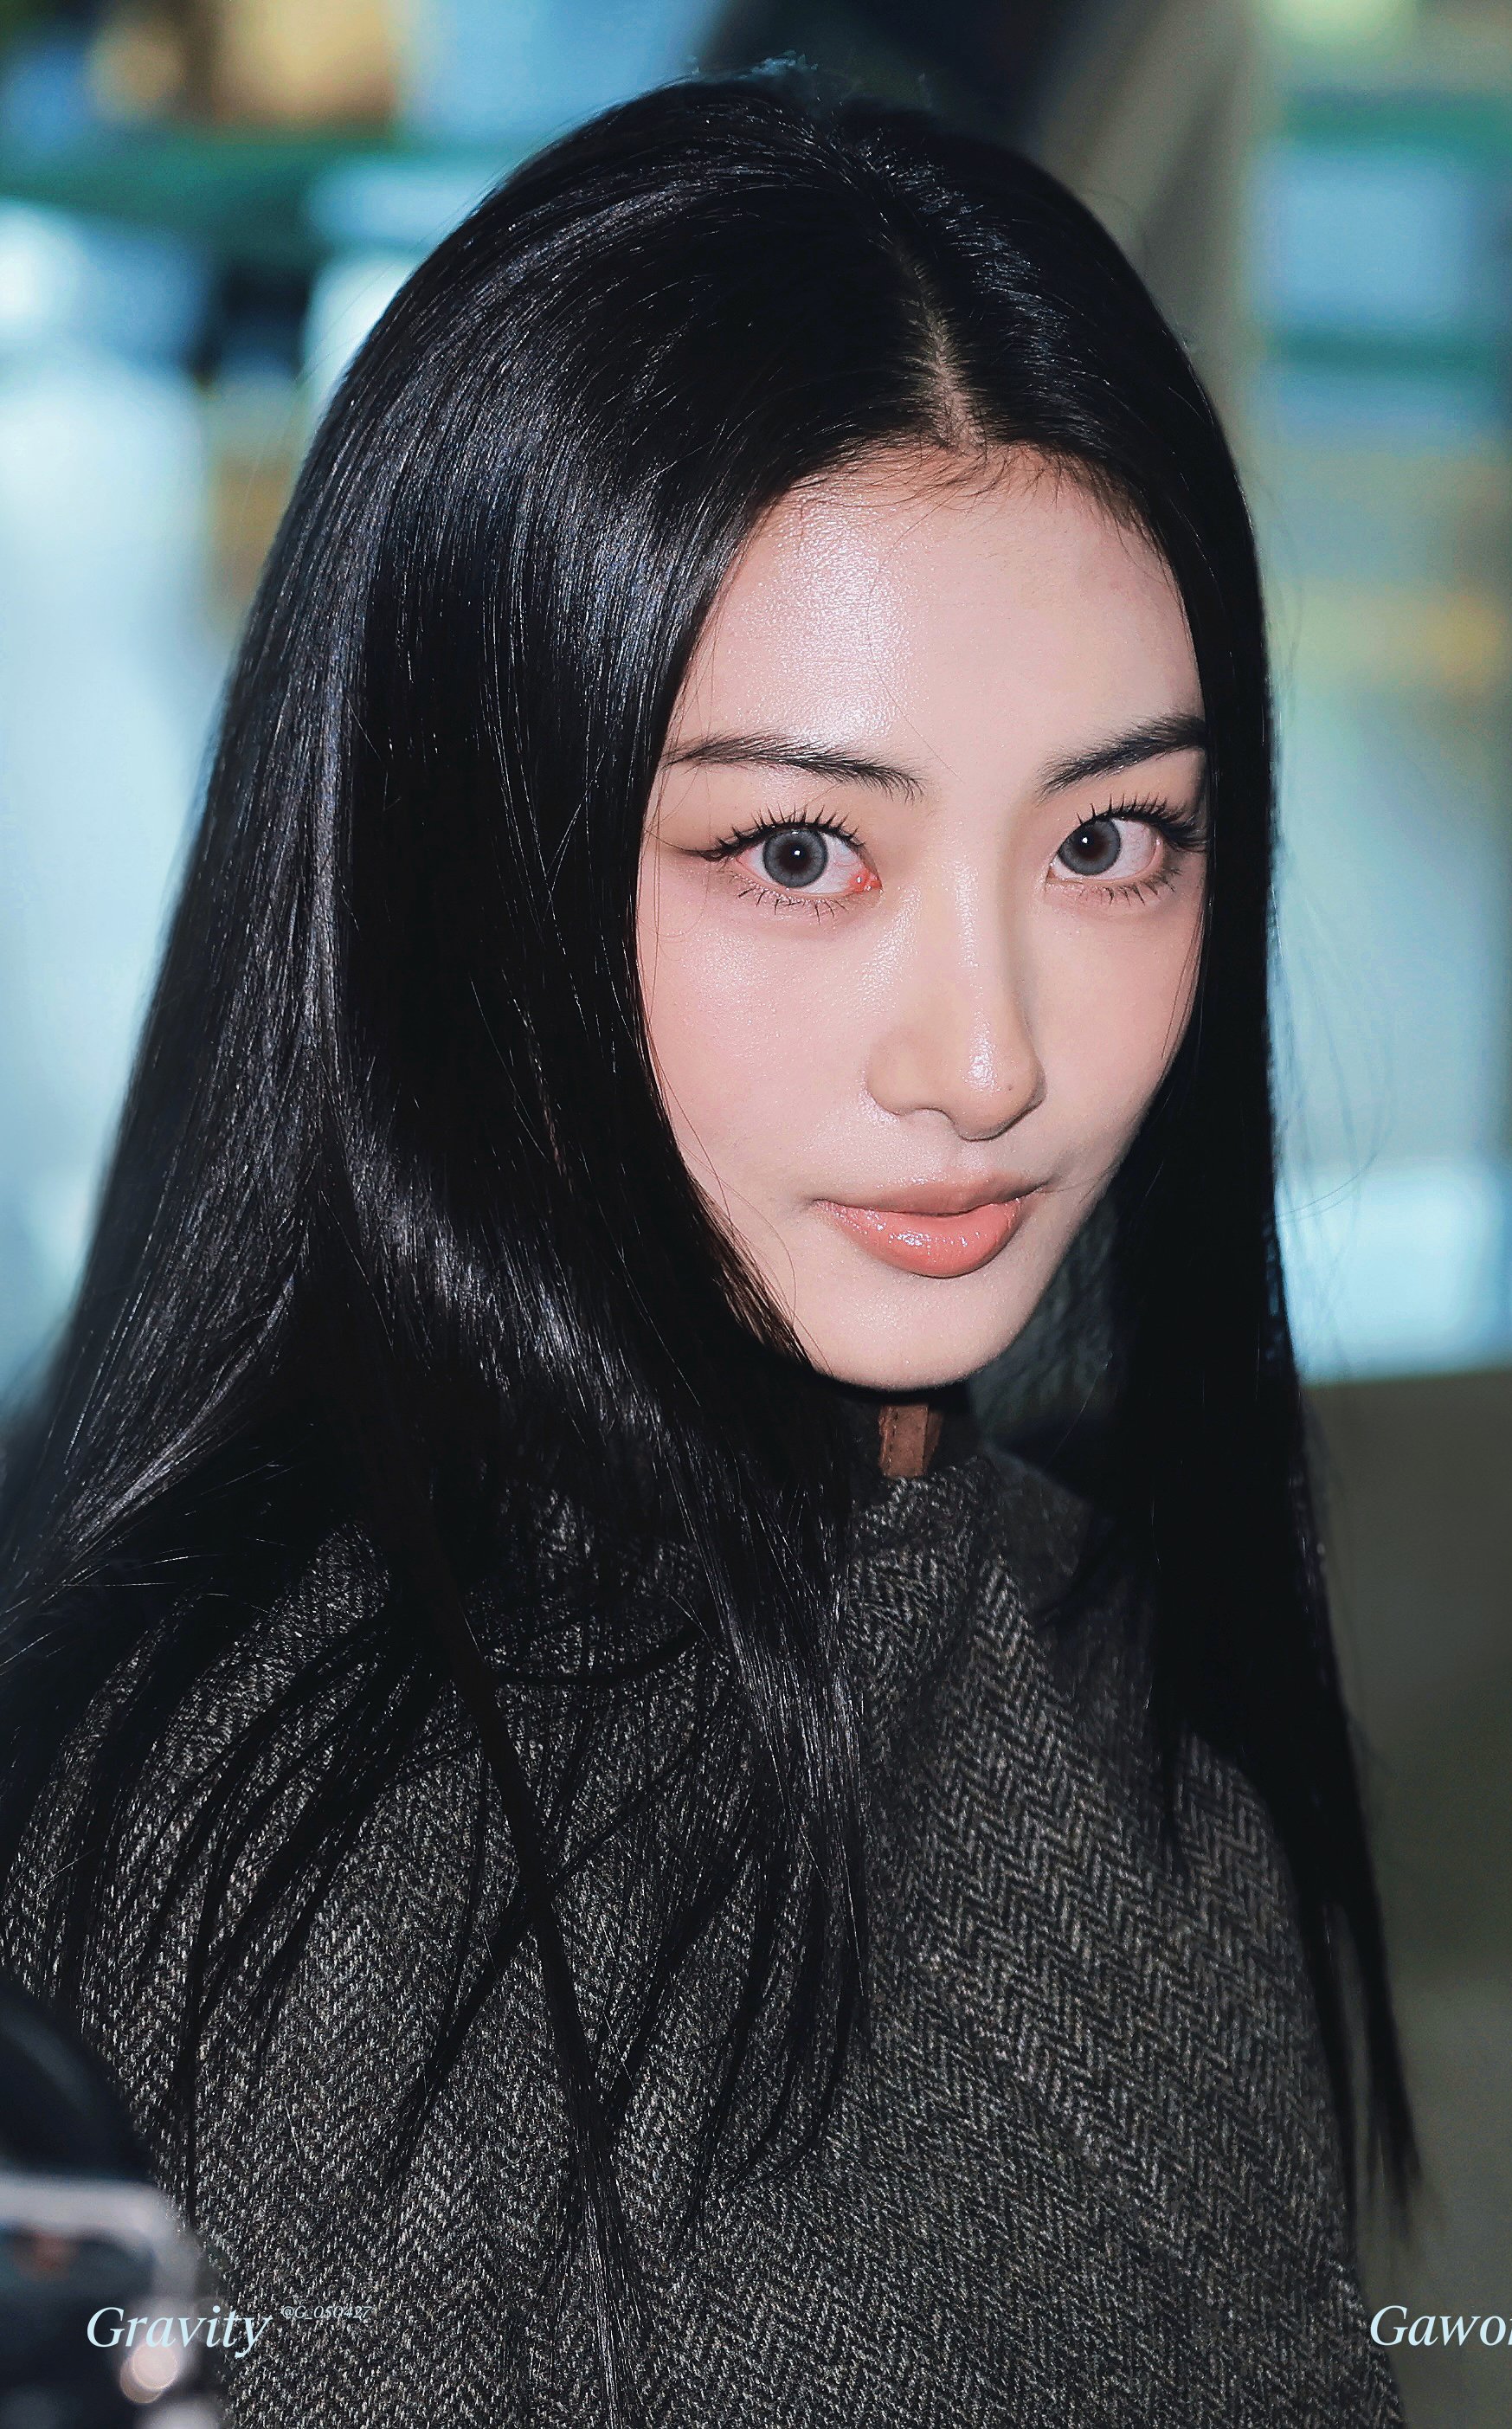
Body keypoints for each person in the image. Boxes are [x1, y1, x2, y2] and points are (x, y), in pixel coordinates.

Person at [0, 74, 1412, 2426]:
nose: (990, 1059)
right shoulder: (298, 1894)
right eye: (797, 855)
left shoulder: (1087, 1637)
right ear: (468, 858)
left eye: (1111, 842)